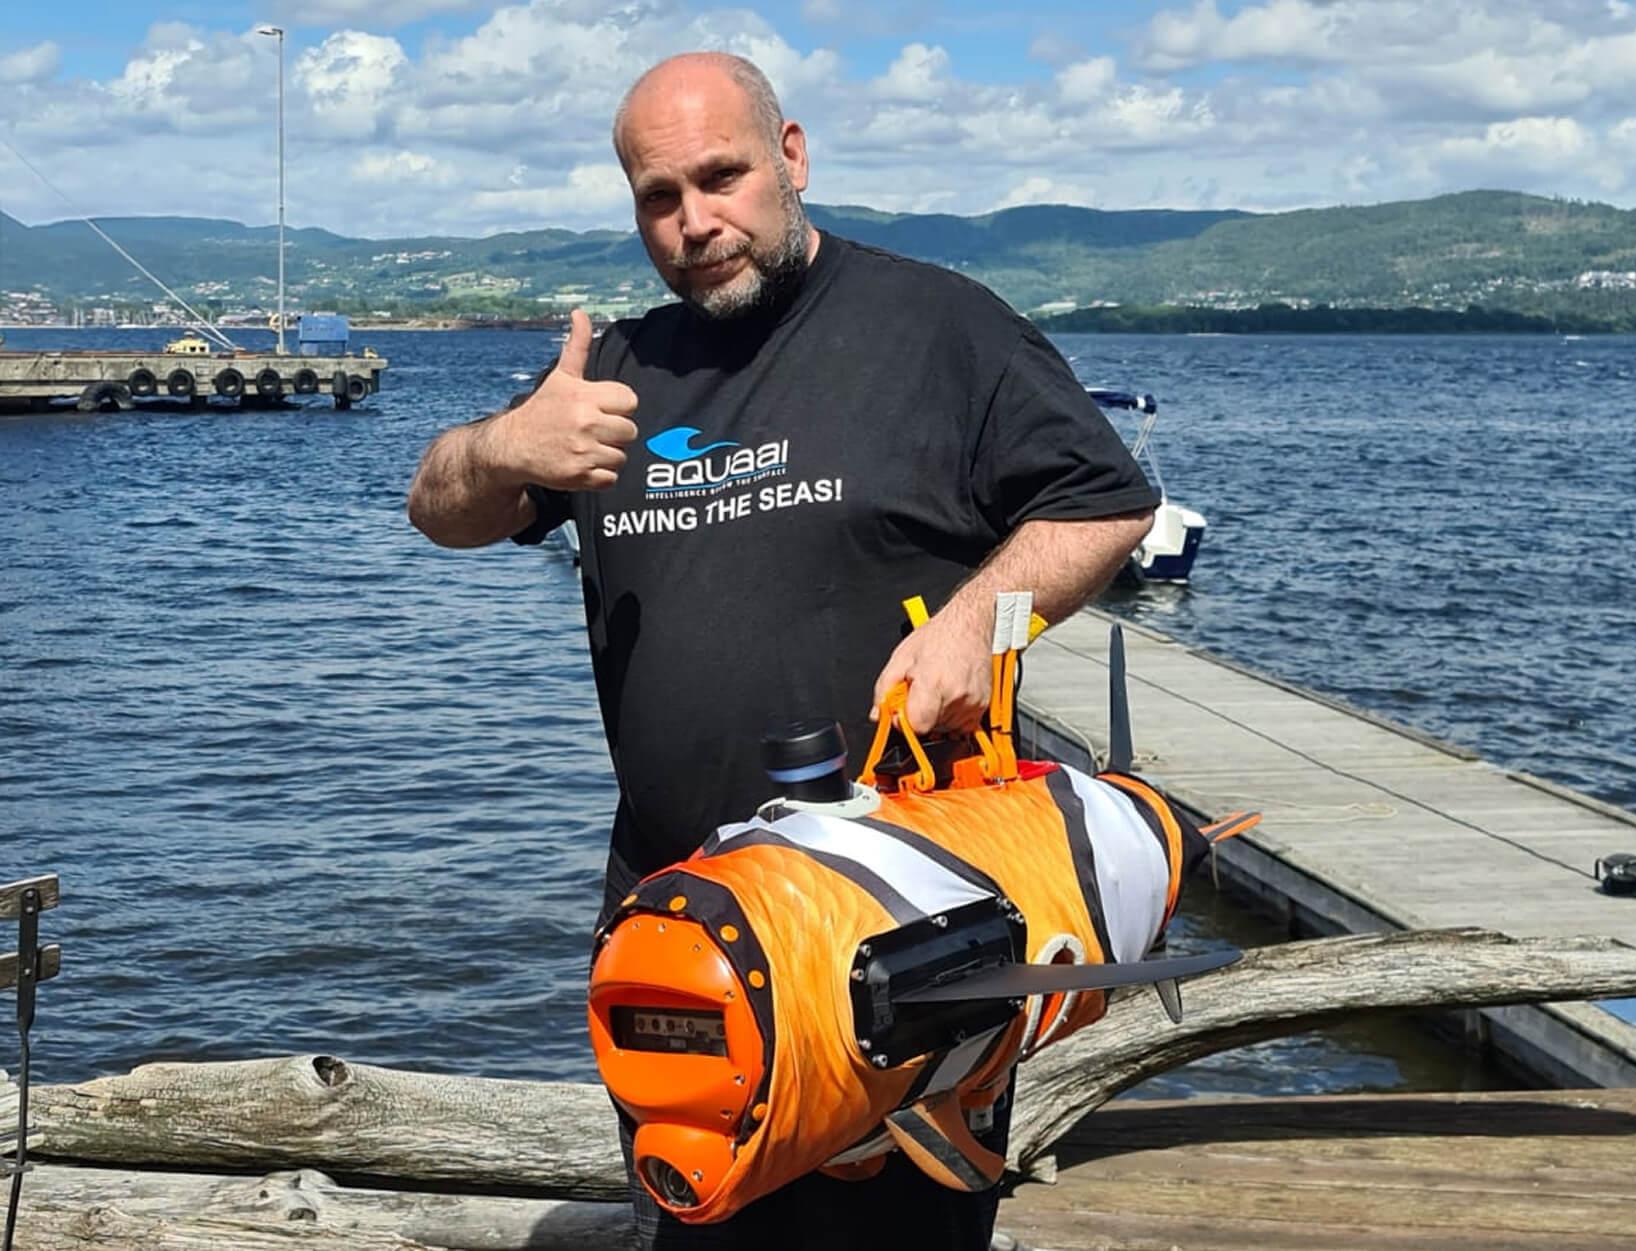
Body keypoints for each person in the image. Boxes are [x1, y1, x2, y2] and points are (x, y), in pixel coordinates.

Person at [406, 51, 1158, 1250]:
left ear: (791, 157)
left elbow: (1103, 502)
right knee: (699, 1233)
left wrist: (980, 615)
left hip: (910, 932)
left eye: (722, 176)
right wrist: (506, 447)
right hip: (682, 933)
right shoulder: (614, 373)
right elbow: (437, 509)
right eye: (660, 196)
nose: (696, 222)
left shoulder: (936, 326)